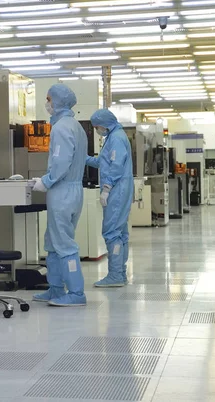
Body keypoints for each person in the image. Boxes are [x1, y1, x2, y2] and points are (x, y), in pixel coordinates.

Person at [31, 84, 88, 307]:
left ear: (56, 101)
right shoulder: (75, 126)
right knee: (54, 241)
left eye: (48, 99)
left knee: (63, 243)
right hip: (71, 190)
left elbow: (61, 161)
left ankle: (76, 293)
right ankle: (55, 289)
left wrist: (45, 181)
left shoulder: (61, 127)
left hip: (62, 190)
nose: (47, 103)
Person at [85, 109, 133, 287]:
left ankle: (115, 275)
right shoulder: (113, 137)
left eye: (97, 127)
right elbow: (103, 162)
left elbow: (116, 166)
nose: (97, 130)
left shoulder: (116, 138)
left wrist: (106, 188)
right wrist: (84, 159)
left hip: (116, 190)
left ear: (104, 124)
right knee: (120, 233)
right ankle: (119, 273)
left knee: (112, 231)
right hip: (119, 188)